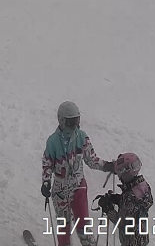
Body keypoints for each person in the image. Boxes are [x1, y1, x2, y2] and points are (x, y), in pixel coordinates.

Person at [42, 101, 113, 246]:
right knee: (64, 225)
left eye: (76, 121)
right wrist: (46, 181)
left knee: (83, 222)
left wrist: (107, 166)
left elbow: (91, 160)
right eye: (71, 122)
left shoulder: (82, 137)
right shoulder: (53, 142)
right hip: (60, 191)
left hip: (78, 186)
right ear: (62, 121)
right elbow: (47, 163)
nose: (74, 126)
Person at [97, 153, 153, 246]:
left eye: (120, 174)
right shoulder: (142, 186)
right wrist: (117, 199)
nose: (120, 177)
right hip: (142, 238)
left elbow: (121, 223)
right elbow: (135, 207)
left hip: (130, 241)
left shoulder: (129, 196)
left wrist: (108, 209)